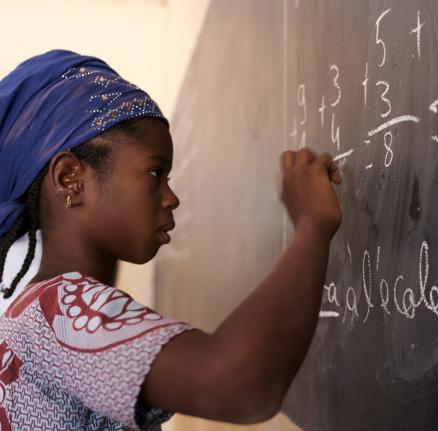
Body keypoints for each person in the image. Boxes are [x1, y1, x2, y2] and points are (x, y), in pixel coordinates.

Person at [0, 50, 342, 429]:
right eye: (154, 173)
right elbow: (240, 388)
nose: (171, 197)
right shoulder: (59, 311)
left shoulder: (36, 313)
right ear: (70, 179)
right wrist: (312, 224)